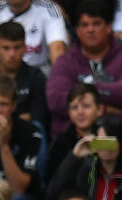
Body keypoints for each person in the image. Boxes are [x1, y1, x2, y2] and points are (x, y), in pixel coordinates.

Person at [46, 1, 122, 136]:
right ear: (77, 30)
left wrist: (89, 90)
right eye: (84, 25)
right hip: (73, 141)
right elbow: (55, 100)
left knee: (106, 149)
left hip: (116, 139)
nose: (90, 30)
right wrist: (102, 109)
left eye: (96, 24)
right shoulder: (66, 61)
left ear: (109, 27)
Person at [46, 116, 122, 200]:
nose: (106, 148)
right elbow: (56, 190)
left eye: (110, 141)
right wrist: (75, 156)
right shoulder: (88, 169)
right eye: (101, 141)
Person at [0, 0, 68, 75]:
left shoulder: (49, 9)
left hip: (40, 76)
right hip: (0, 78)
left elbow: (57, 49)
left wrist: (58, 82)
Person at [46, 83, 104, 183]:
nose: (80, 112)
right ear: (69, 112)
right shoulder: (60, 143)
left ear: (99, 109)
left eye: (86, 106)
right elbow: (52, 185)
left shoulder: (108, 138)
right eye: (74, 107)